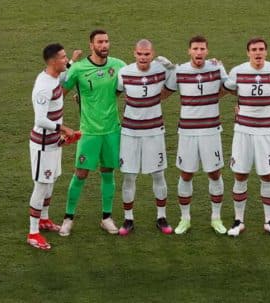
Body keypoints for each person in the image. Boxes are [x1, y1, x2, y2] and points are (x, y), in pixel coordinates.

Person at [60, 29, 126, 236]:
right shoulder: (79, 69)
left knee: (108, 172)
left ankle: (106, 217)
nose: (104, 45)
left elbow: (124, 87)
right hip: (88, 132)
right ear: (91, 45)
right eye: (100, 42)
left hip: (112, 130)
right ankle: (68, 218)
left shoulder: (119, 65)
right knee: (81, 173)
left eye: (107, 41)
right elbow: (60, 92)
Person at [163, 35, 229, 235]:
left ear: (207, 51)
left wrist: (211, 97)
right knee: (186, 174)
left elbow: (229, 88)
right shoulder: (180, 71)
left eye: (202, 49)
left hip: (211, 131)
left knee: (214, 173)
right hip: (188, 133)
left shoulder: (216, 68)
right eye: (195, 49)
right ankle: (185, 219)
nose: (199, 52)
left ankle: (216, 218)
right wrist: (164, 72)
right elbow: (164, 95)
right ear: (189, 51)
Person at [223, 38, 270, 237]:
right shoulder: (238, 71)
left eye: (261, 50)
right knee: (240, 174)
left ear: (266, 52)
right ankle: (238, 220)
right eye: (254, 50)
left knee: (267, 175)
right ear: (248, 52)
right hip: (243, 131)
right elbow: (228, 88)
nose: (258, 53)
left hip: (266, 131)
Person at [116, 39, 174, 236]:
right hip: (130, 133)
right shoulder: (124, 73)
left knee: (158, 174)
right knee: (129, 176)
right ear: (134, 53)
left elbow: (172, 87)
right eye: (140, 54)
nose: (143, 58)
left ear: (152, 53)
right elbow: (112, 95)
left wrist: (172, 69)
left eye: (147, 54)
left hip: (154, 131)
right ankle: (128, 219)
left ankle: (161, 216)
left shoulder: (160, 69)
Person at [27, 44, 80, 249]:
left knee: (51, 181)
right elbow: (40, 120)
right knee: (41, 185)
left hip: (53, 142)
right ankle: (33, 233)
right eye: (63, 57)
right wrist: (64, 128)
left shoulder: (54, 76)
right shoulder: (43, 87)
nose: (66, 60)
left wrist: (73, 61)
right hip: (42, 144)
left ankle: (44, 219)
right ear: (52, 62)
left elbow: (63, 76)